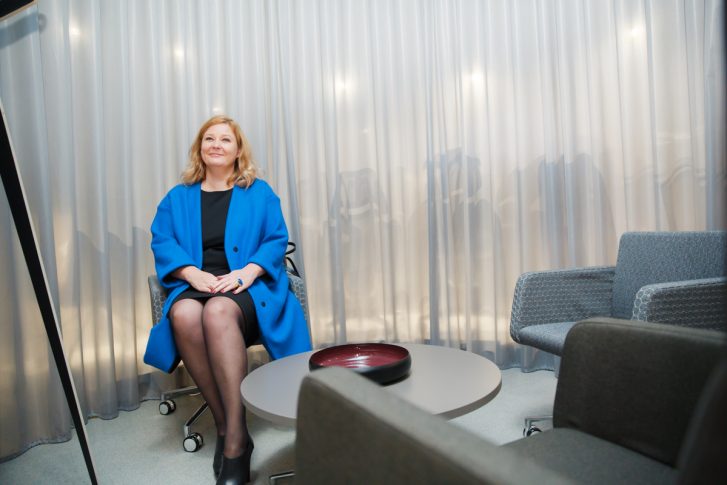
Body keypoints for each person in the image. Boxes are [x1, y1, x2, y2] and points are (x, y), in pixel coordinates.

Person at [148, 115, 311, 484]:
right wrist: (191, 273)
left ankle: (235, 442)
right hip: (198, 283)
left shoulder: (259, 192)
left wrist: (248, 272)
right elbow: (162, 241)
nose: (216, 145)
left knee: (218, 311)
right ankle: (227, 425)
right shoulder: (178, 198)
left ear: (238, 150)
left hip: (247, 289)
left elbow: (275, 239)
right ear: (200, 149)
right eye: (209, 139)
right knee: (184, 314)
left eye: (225, 139)